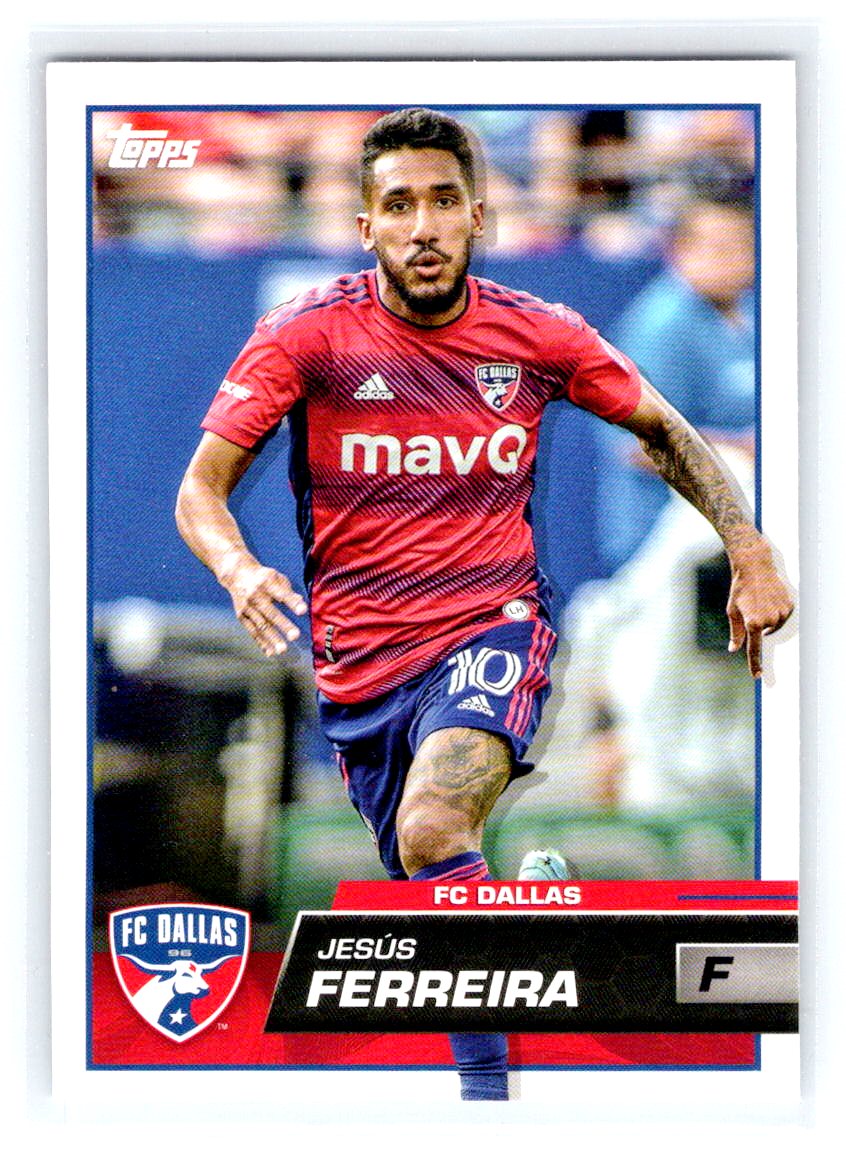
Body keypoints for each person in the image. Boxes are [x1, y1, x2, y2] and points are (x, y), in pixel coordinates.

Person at [175, 108, 793, 1101]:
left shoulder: (537, 332)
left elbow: (666, 430)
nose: (423, 225)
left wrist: (749, 548)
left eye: (444, 201)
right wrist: (239, 568)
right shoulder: (306, 335)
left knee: (432, 825)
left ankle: (488, 1107)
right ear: (366, 224)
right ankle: (525, 918)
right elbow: (199, 491)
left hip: (492, 631)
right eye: (399, 205)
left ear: (478, 215)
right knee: (435, 892)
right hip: (361, 668)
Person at [598, 198, 756, 572]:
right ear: (679, 250)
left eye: (745, 246)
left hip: (729, 533)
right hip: (659, 540)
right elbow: (638, 444)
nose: (737, 259)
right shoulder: (660, 324)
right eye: (721, 248)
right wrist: (745, 449)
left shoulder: (753, 311)